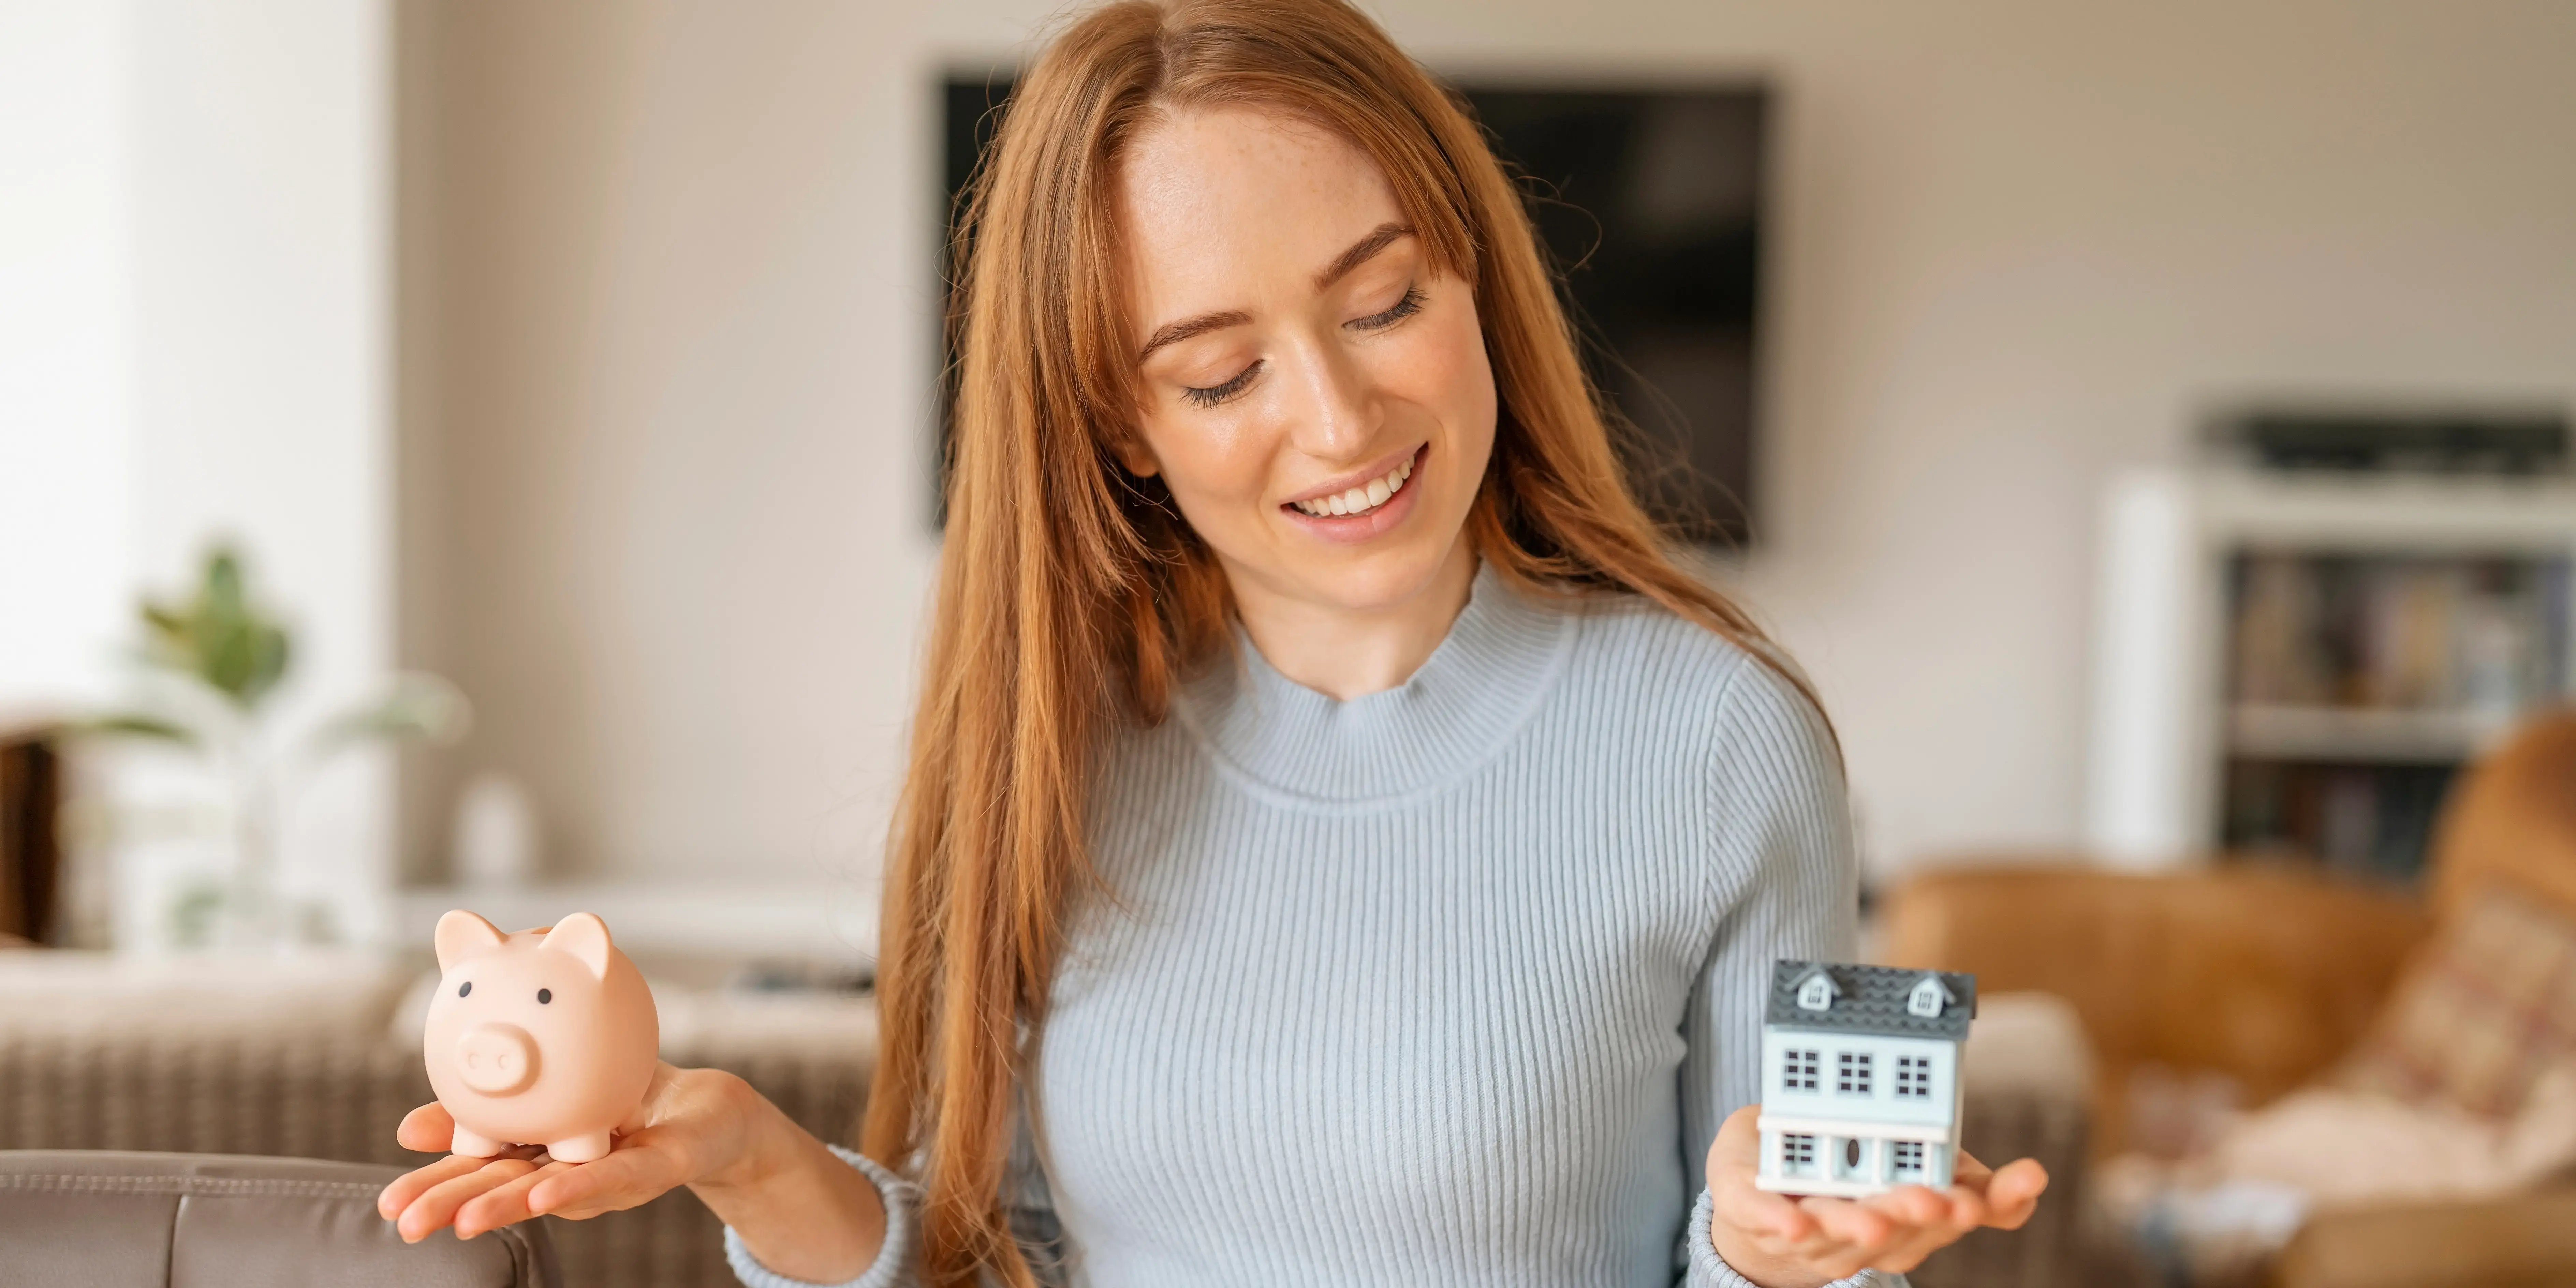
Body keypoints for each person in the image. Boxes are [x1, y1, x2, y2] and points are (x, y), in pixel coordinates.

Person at [377, 1, 2047, 1284]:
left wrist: (1766, 1258)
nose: (1336, 420)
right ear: (1118, 423)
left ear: (1473, 273)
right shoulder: (1053, 752)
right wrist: (747, 1160)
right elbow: (995, 1260)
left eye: (1384, 301)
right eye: (1217, 372)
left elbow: (1800, 1232)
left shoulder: (1718, 739)